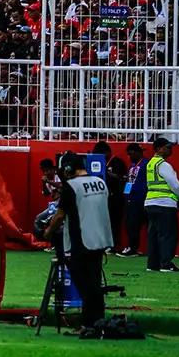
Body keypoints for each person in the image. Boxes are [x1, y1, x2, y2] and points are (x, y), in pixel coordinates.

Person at [48, 151, 113, 335]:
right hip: (100, 239)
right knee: (94, 284)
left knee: (85, 286)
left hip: (82, 241)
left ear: (68, 169)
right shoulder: (100, 182)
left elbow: (59, 216)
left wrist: (48, 232)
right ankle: (97, 323)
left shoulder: (72, 187)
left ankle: (89, 325)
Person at [144, 137, 179, 273]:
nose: (170, 149)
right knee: (168, 234)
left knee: (153, 234)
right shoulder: (164, 165)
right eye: (167, 147)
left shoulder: (150, 164)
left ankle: (152, 264)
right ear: (159, 149)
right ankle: (166, 264)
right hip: (165, 204)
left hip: (150, 203)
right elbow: (175, 186)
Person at [93, 141, 126, 253]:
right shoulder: (100, 162)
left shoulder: (117, 162)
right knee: (104, 222)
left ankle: (114, 246)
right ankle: (106, 244)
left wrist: (107, 173)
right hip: (104, 197)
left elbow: (121, 177)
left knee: (115, 222)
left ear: (107, 152)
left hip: (116, 197)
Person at [118, 143, 148, 257]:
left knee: (137, 224)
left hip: (140, 198)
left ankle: (134, 248)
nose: (129, 157)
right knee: (130, 224)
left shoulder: (145, 164)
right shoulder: (132, 166)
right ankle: (132, 247)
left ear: (137, 152)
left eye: (131, 154)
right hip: (130, 198)